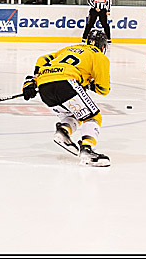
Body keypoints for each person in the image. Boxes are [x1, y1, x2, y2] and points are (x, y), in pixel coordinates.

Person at [22, 28, 110, 166]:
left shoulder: (71, 48)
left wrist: (32, 80)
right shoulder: (98, 55)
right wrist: (89, 84)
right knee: (93, 117)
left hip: (44, 85)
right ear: (103, 46)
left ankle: (63, 131)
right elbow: (104, 89)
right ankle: (87, 150)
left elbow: (43, 59)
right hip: (66, 83)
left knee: (74, 114)